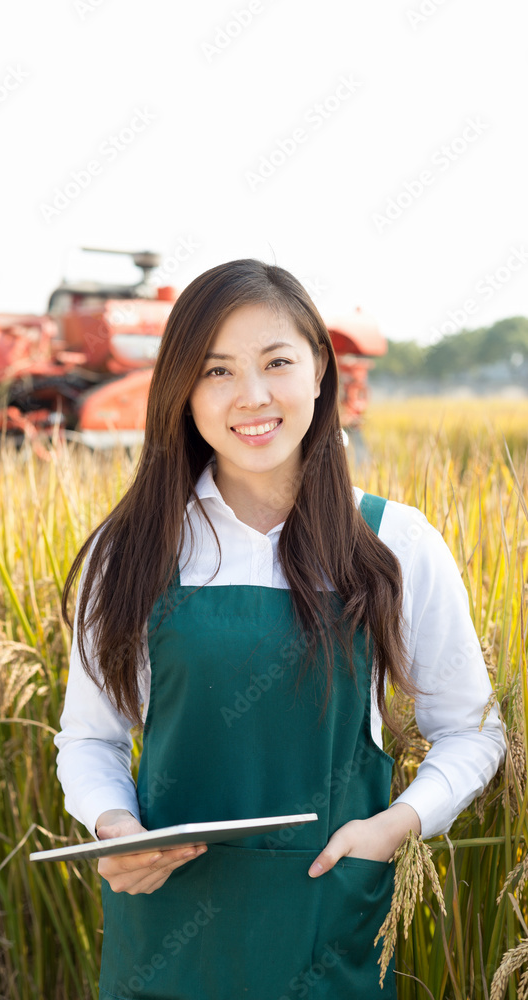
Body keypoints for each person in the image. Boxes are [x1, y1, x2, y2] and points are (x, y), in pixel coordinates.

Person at [54, 259, 505, 1000]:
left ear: (320, 370)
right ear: (182, 391)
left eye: (276, 363)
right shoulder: (132, 548)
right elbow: (90, 738)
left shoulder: (392, 543)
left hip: (325, 930)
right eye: (217, 371)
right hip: (166, 942)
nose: (252, 397)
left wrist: (394, 827)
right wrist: (113, 828)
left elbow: (471, 730)